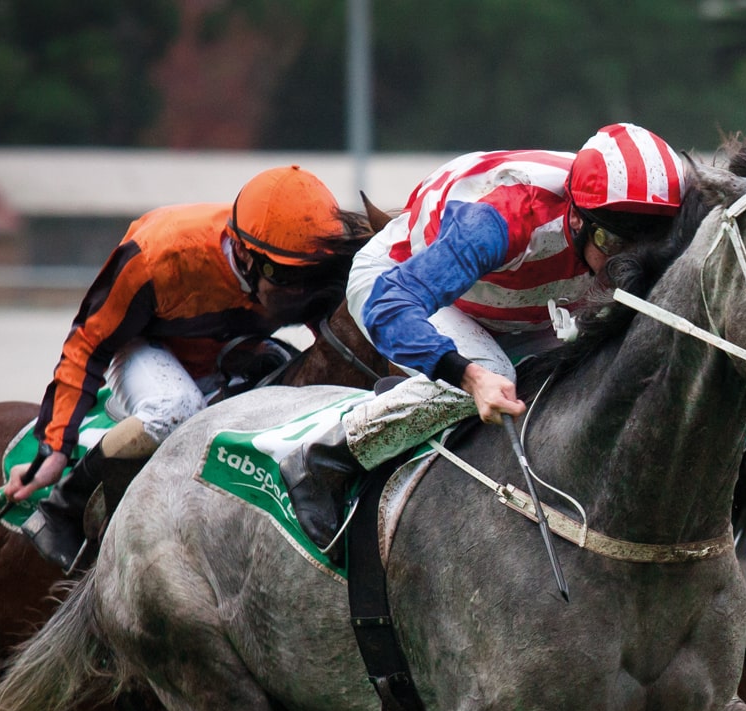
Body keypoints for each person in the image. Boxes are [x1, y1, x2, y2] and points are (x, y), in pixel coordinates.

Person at [282, 122, 688, 550]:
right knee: (492, 373)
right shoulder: (505, 216)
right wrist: (470, 376)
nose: (624, 265)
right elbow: (392, 304)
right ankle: (325, 458)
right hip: (403, 284)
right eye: (610, 242)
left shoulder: (653, 220)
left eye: (644, 247)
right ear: (576, 216)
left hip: (526, 306)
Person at [8, 165, 371, 572]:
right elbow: (86, 345)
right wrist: (54, 447)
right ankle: (64, 509)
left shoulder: (308, 266)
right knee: (177, 408)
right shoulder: (157, 255)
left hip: (235, 346)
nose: (300, 291)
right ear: (245, 253)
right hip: (150, 347)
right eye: (283, 275)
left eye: (309, 276)